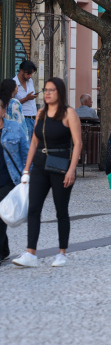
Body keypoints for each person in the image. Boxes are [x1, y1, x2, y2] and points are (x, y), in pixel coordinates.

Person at [12, 77, 82, 268]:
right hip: (40, 165)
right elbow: (34, 142)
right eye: (46, 90)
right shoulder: (41, 113)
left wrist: (72, 169)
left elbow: (77, 143)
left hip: (60, 165)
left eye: (52, 90)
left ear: (60, 92)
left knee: (61, 210)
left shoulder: (69, 113)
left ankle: (62, 253)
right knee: (34, 208)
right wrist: (26, 170)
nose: (48, 93)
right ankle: (30, 253)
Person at [0, 98, 29, 266]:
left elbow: (26, 154)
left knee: (1, 217)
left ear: (4, 110)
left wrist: (27, 176)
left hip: (8, 180)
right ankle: (4, 250)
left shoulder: (15, 128)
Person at [14, 60, 38, 138]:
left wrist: (32, 96)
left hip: (34, 118)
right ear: (21, 71)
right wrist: (27, 98)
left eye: (32, 74)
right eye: (29, 73)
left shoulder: (30, 81)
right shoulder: (14, 83)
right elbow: (12, 103)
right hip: (23, 119)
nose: (30, 76)